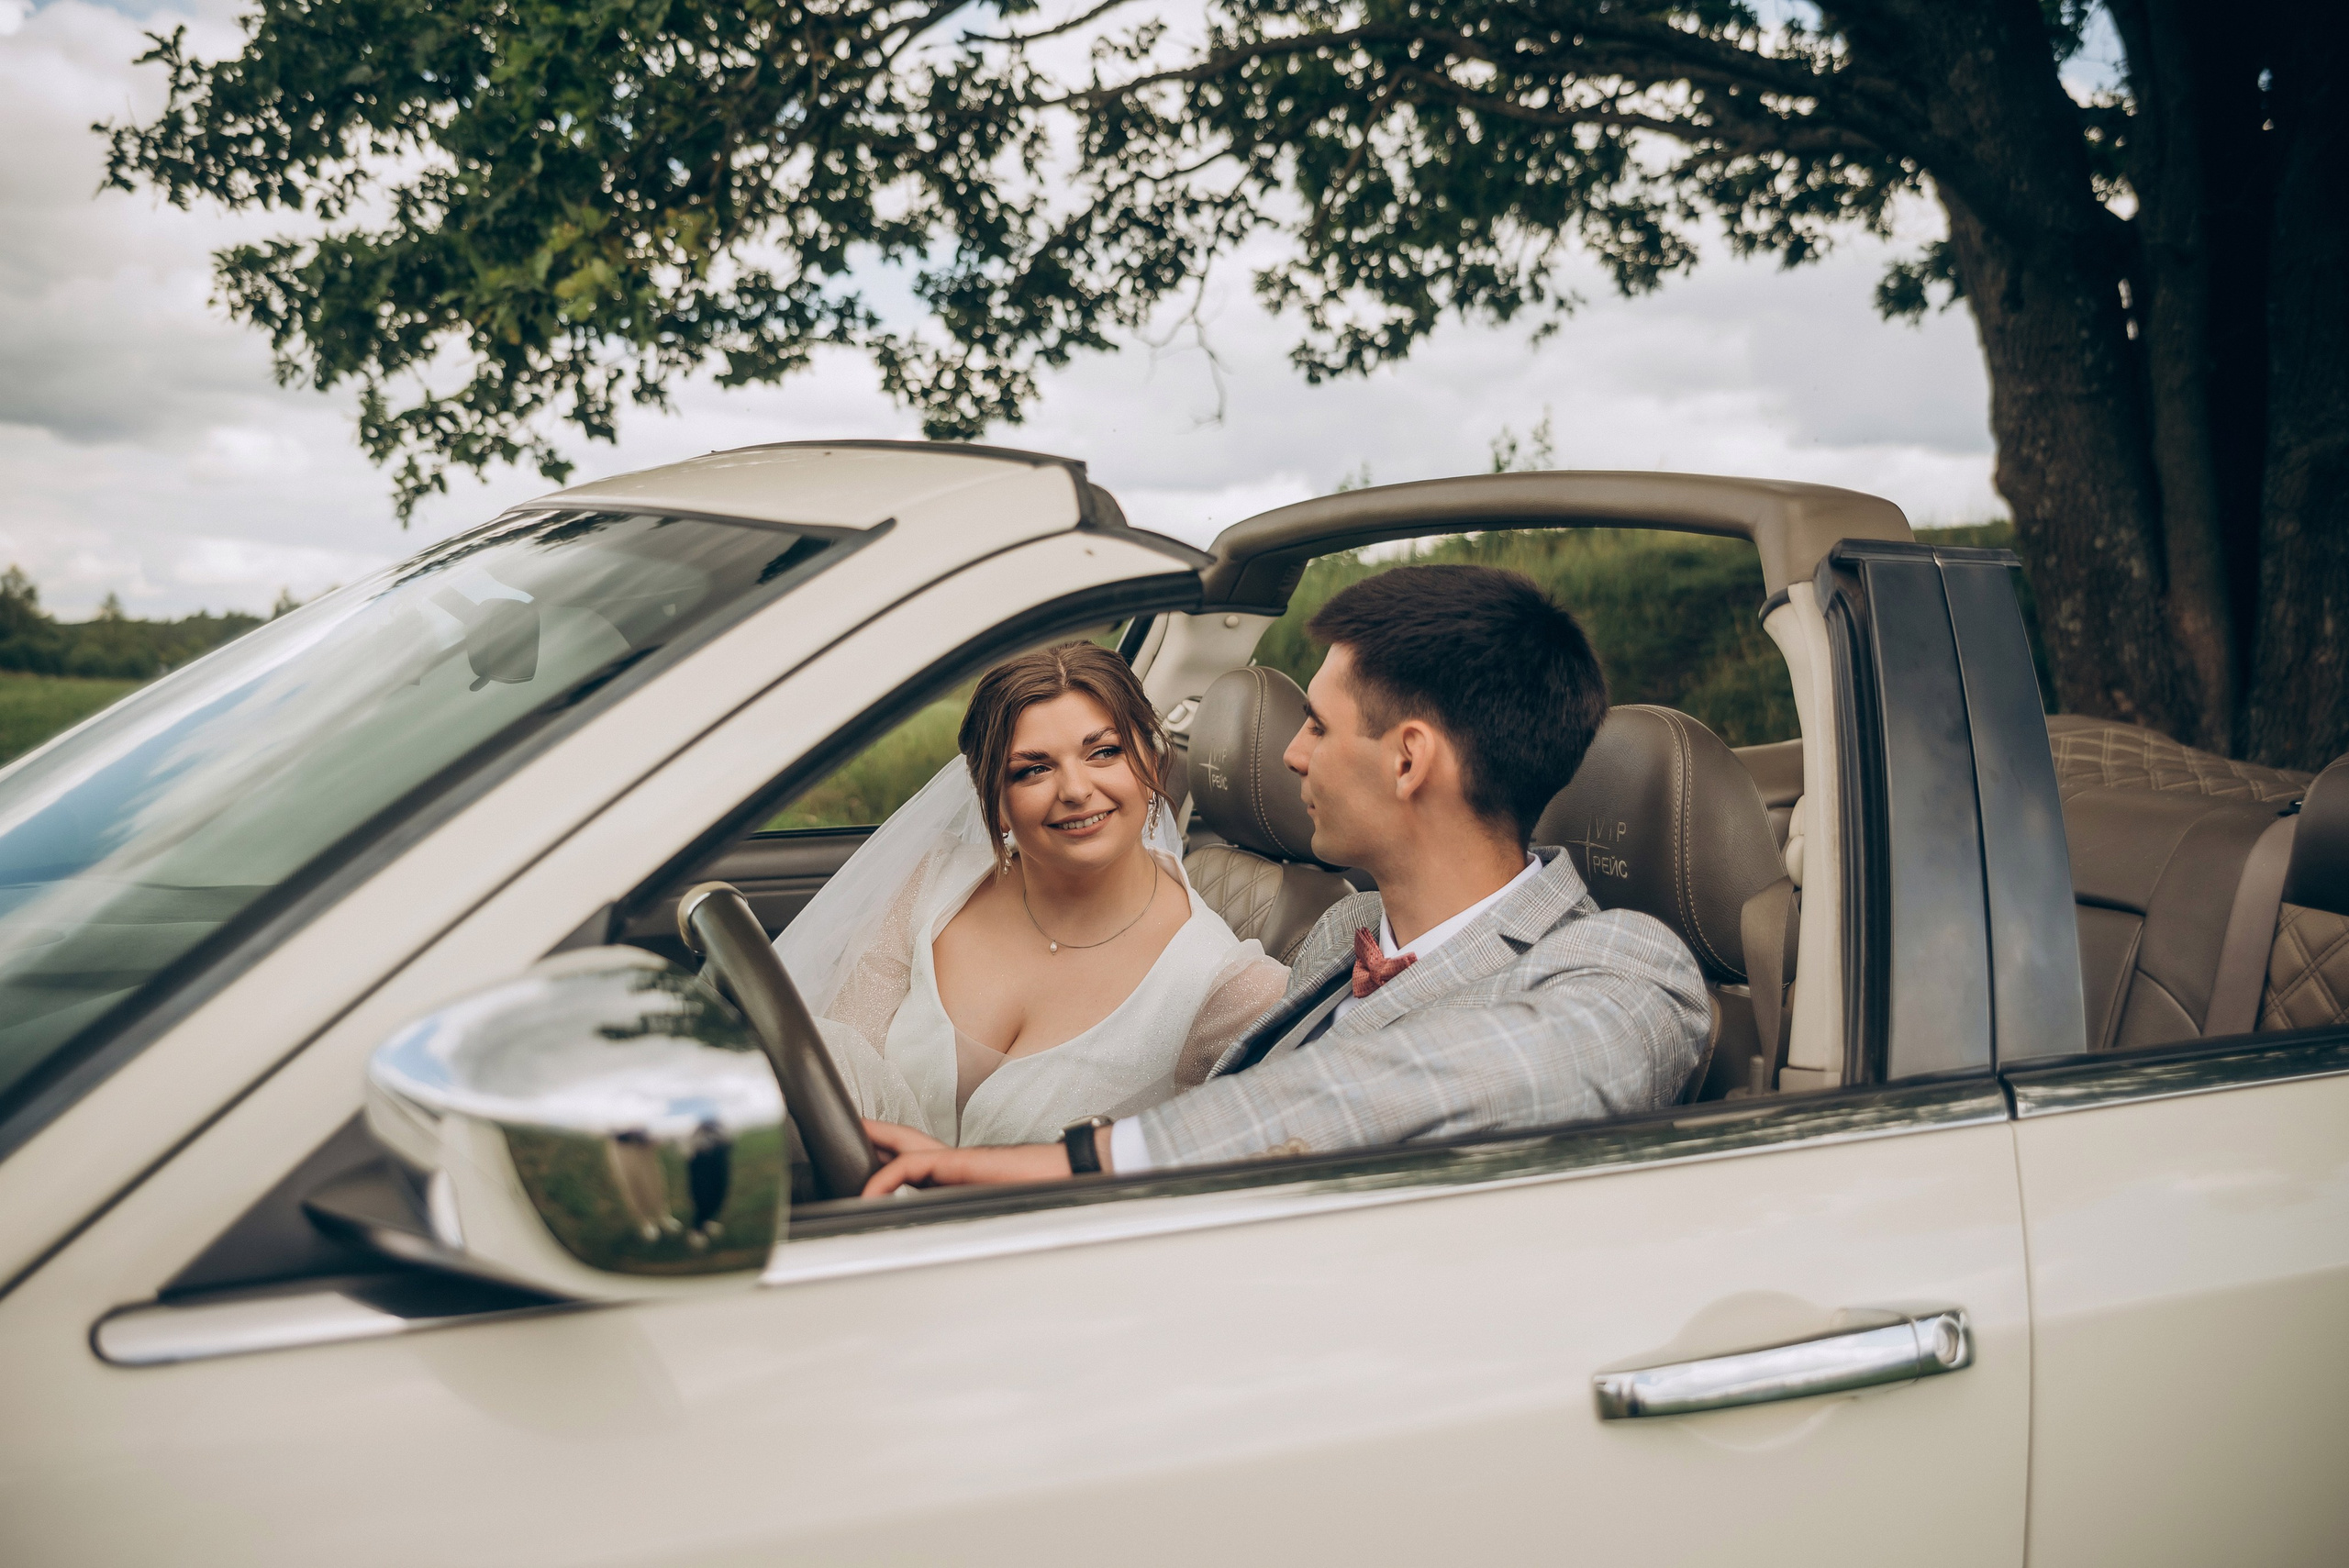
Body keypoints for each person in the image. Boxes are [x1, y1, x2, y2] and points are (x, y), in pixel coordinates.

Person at [859, 563, 1710, 1195]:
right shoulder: (1345, 933)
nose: (1293, 753)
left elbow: (1397, 1087)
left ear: (1408, 759)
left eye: (1316, 723)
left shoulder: (1630, 972)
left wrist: (1073, 1162)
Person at [777, 640, 1288, 1149]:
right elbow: (835, 1072)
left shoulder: (1231, 989)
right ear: (994, 803)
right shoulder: (930, 884)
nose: (1075, 789)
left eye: (1104, 752)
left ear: (1151, 768)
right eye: (1033, 769)